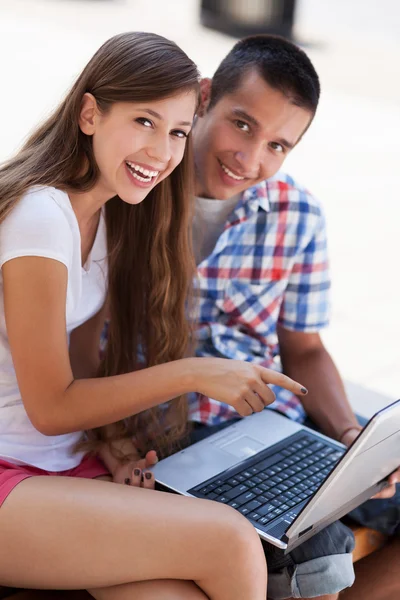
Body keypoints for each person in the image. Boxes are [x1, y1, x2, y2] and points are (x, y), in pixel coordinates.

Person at [0, 31, 313, 600]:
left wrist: (112, 443)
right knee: (231, 541)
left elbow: (82, 365)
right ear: (90, 114)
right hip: (9, 473)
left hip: (63, 465)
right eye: (144, 122)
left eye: (176, 132)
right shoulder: (40, 217)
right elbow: (49, 405)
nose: (163, 152)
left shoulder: (104, 216)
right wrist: (194, 372)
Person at [186, 35, 400, 600]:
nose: (251, 160)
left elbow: (302, 348)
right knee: (311, 533)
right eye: (243, 124)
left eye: (278, 145)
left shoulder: (297, 213)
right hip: (179, 432)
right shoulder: (140, 188)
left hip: (271, 424)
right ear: (204, 97)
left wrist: (351, 438)